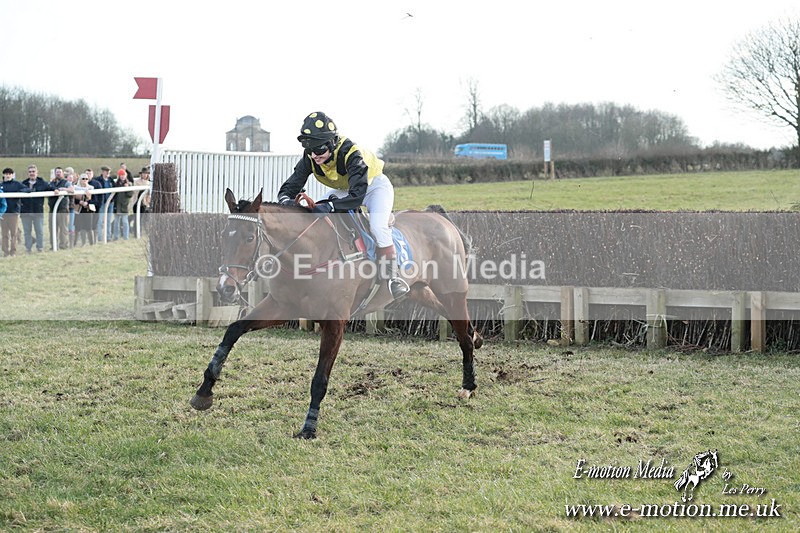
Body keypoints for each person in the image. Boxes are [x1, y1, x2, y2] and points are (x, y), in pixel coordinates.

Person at [277, 111, 410, 299]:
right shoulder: (310, 156)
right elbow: (289, 187)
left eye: (320, 149)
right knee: (317, 215)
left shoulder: (351, 153)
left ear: (331, 143)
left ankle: (393, 278)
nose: (315, 155)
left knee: (378, 227)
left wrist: (331, 207)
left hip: (373, 187)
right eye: (310, 149)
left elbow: (357, 195)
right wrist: (286, 201)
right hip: (346, 189)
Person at [20, 165, 50, 253]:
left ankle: (40, 247)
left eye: (33, 171)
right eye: (30, 172)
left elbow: (51, 188)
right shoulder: (23, 183)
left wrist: (57, 189)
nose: (32, 173)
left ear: (37, 172)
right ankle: (28, 248)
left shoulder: (42, 183)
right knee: (27, 231)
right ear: (28, 173)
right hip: (25, 211)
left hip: (38, 211)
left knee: (39, 230)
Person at [1, 168, 29, 257]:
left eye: (9, 173)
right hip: (3, 213)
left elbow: (27, 189)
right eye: (6, 174)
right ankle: (5, 252)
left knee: (14, 233)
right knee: (4, 233)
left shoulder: (17, 184)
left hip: (14, 212)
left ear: (12, 175)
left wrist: (19, 192)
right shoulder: (1, 185)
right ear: (3, 175)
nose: (8, 175)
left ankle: (13, 252)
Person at [48, 167, 73, 250]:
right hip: (52, 208)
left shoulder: (66, 182)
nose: (58, 173)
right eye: (57, 172)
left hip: (62, 208)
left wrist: (63, 189)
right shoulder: (52, 183)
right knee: (52, 228)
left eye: (60, 172)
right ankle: (53, 245)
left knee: (63, 228)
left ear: (62, 173)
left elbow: (71, 190)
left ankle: (63, 246)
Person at [90, 166, 115, 242]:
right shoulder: (98, 180)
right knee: (100, 221)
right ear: (102, 172)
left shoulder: (111, 180)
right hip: (102, 203)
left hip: (110, 203)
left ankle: (108, 236)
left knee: (108, 220)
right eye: (106, 171)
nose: (108, 173)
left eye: (109, 171)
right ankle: (100, 237)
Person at [73, 173, 95, 245]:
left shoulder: (91, 188)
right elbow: (73, 200)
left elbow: (94, 200)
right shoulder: (75, 188)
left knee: (89, 227)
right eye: (83, 179)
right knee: (78, 227)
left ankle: (92, 243)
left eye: (86, 179)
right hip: (78, 210)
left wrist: (87, 202)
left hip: (88, 209)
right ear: (80, 180)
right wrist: (80, 202)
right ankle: (75, 243)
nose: (85, 180)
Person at [112, 169, 133, 240]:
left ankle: (126, 237)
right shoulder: (115, 184)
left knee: (125, 222)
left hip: (124, 205)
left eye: (123, 175)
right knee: (116, 222)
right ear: (119, 176)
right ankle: (116, 236)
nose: (122, 176)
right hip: (117, 205)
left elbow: (130, 194)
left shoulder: (129, 184)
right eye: (121, 175)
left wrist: (128, 188)